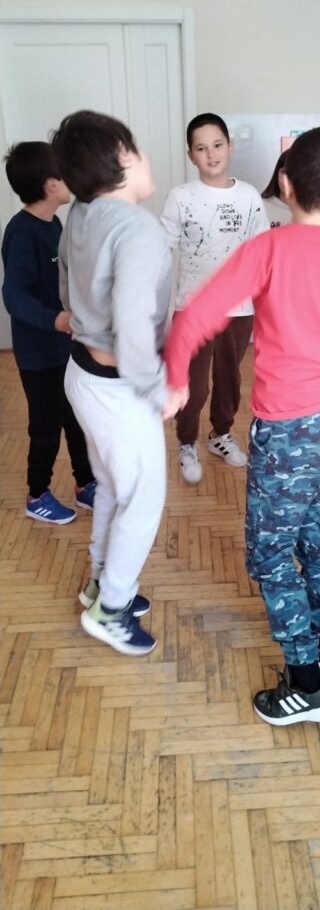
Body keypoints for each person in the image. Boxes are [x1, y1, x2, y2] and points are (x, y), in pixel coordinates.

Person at [165, 127, 320, 726]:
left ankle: (307, 685)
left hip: (287, 428)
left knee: (271, 551)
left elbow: (195, 316)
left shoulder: (266, 250)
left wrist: (174, 381)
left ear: (286, 185)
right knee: (317, 528)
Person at [52, 110, 186, 655]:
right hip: (118, 387)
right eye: (139, 147)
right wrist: (160, 389)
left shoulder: (80, 214)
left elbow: (66, 289)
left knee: (112, 486)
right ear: (123, 157)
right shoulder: (137, 228)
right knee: (144, 498)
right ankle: (110, 609)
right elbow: (132, 326)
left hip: (83, 376)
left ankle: (101, 584)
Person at [160, 113, 269, 485]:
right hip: (192, 309)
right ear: (190, 155)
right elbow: (161, 249)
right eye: (201, 148)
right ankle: (186, 441)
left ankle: (220, 433)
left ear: (230, 146)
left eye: (217, 145)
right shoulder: (180, 197)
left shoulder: (249, 196)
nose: (211, 154)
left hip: (239, 309)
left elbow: (261, 252)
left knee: (229, 379)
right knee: (193, 384)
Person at [1, 142, 95, 525]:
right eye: (65, 172)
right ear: (49, 184)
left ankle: (86, 484)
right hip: (38, 354)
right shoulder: (22, 233)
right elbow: (14, 295)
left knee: (76, 417)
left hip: (64, 348)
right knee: (45, 427)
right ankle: (36, 494)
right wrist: (55, 319)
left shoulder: (54, 223)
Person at [261, 151, 292, 228]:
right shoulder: (261, 207)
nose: (288, 179)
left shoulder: (313, 212)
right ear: (277, 174)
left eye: (296, 173)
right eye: (285, 172)